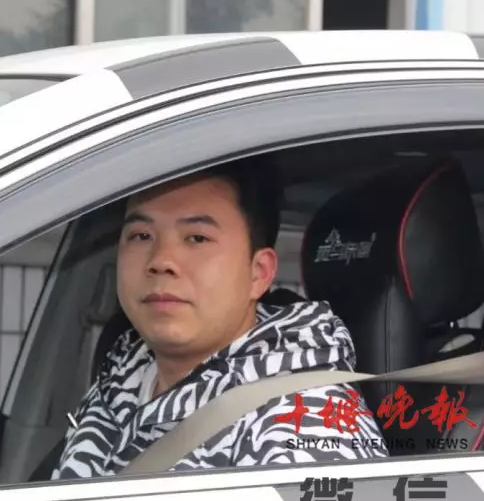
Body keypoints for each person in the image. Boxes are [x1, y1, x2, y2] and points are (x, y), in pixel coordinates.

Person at [53, 158, 387, 479]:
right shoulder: (120, 378)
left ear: (259, 273)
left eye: (197, 238)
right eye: (141, 235)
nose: (161, 261)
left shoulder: (306, 431)